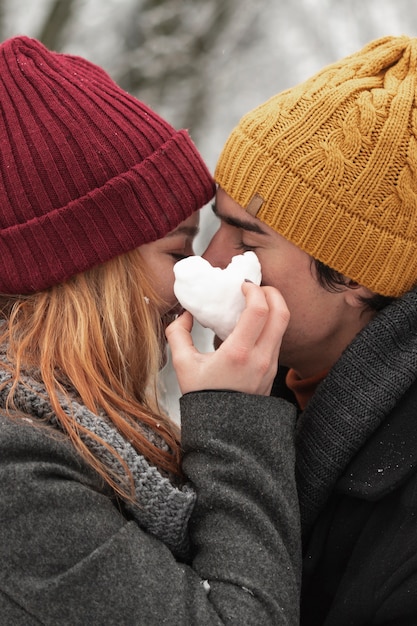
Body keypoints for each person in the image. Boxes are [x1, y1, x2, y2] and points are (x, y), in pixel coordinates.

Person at [0, 36, 301, 624]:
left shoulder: (56, 436)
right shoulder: (17, 475)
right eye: (177, 249)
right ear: (90, 268)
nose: (202, 270)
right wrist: (233, 417)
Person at [200, 34, 417, 625]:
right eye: (216, 225)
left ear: (356, 275)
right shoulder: (270, 387)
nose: (211, 259)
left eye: (246, 240)